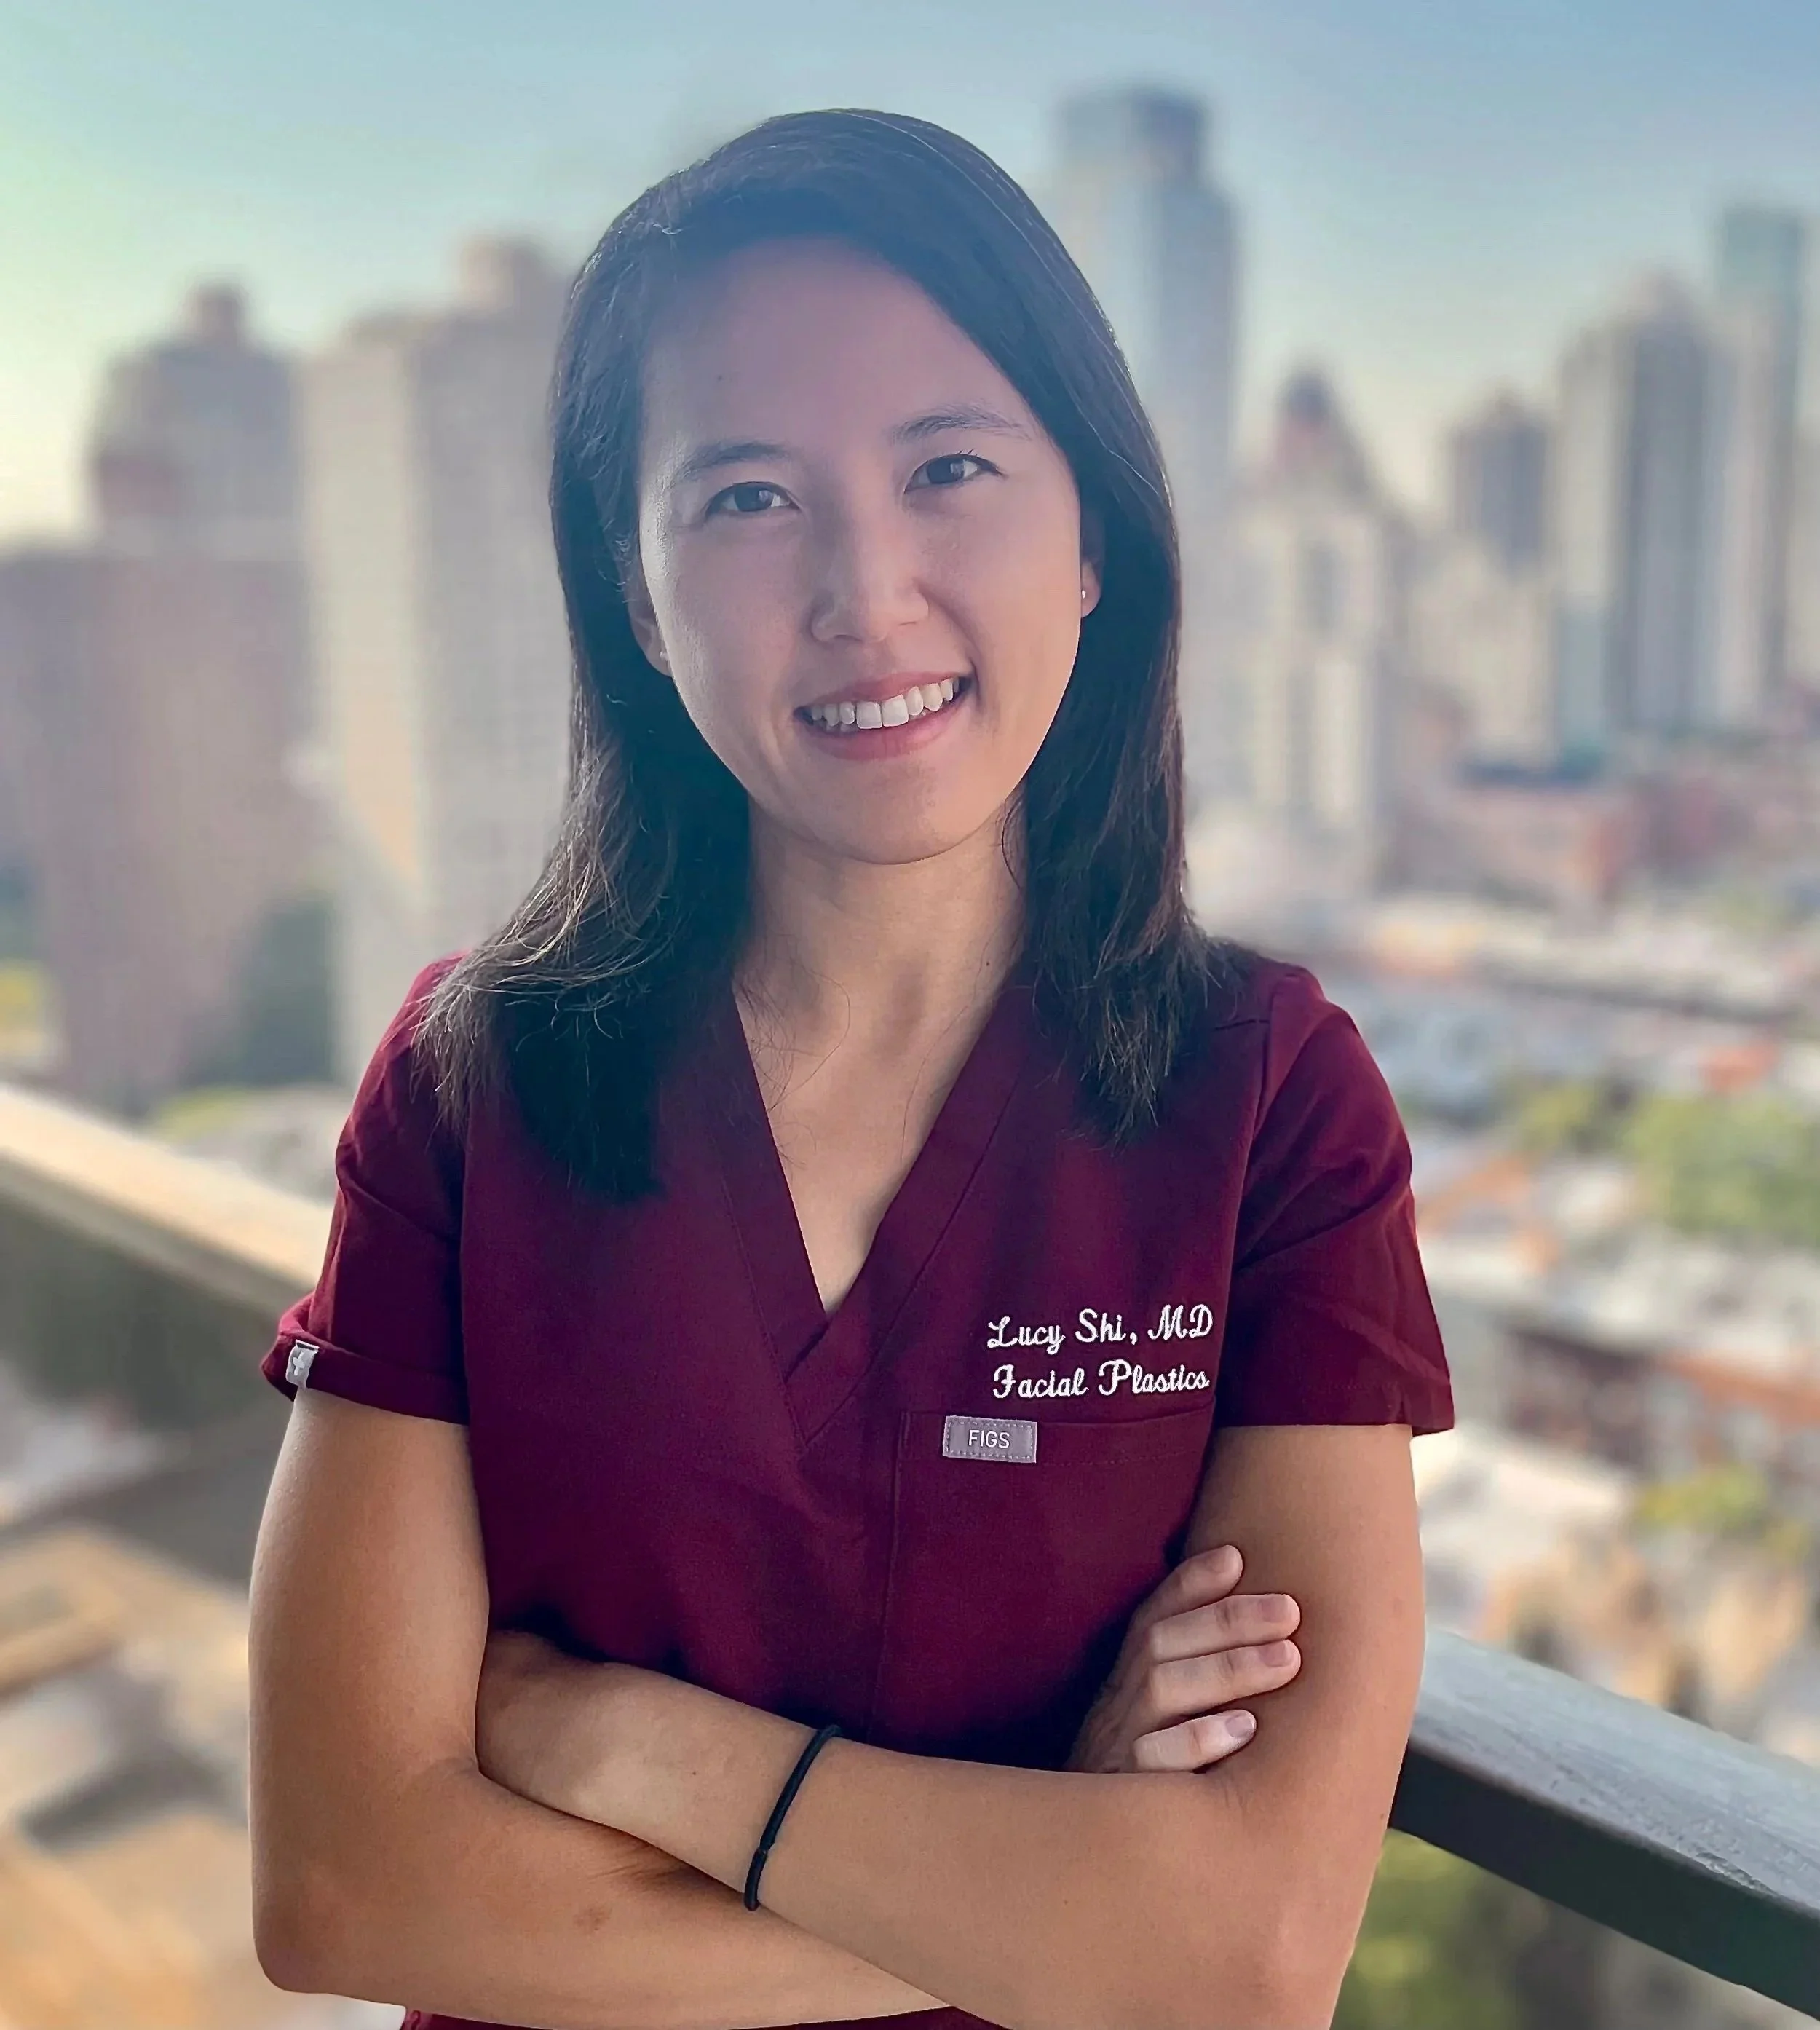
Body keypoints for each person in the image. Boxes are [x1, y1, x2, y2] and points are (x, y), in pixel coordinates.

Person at [248, 108, 1453, 2030]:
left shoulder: (1271, 1106)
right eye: (744, 497)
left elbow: (1246, 1954)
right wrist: (1055, 1859)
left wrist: (633, 1744)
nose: (860, 591)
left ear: (1088, 545)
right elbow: (340, 1883)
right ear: (634, 602)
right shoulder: (473, 1085)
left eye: (949, 467)